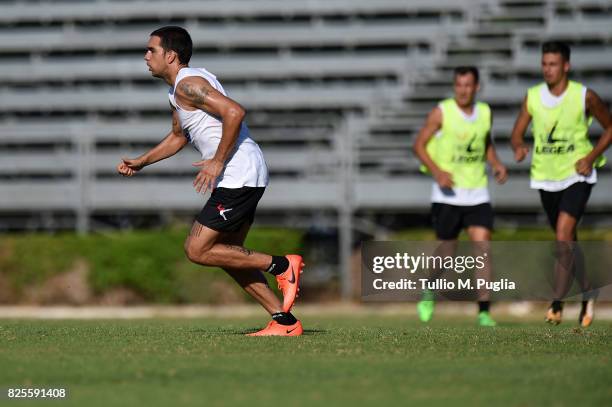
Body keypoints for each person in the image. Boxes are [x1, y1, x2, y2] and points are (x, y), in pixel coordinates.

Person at [117, 26, 304, 336]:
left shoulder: (188, 85)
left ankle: (282, 266)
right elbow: (178, 136)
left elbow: (235, 112)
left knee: (197, 249)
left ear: (171, 55)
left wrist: (217, 161)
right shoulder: (178, 90)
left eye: (152, 50)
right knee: (230, 254)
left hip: (238, 173)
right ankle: (284, 322)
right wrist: (142, 161)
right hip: (244, 173)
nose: (146, 55)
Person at [510, 41, 611, 327]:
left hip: (577, 175)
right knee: (567, 241)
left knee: (564, 232)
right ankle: (588, 290)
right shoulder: (533, 97)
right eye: (544, 64)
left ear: (566, 65)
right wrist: (518, 147)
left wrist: (591, 157)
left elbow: (610, 127)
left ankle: (556, 302)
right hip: (546, 176)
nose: (547, 69)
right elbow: (517, 133)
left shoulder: (584, 96)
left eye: (553, 64)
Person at [413, 66, 507, 327]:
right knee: (447, 253)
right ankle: (429, 291)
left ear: (477, 87)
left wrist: (496, 163)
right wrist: (437, 172)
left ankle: (484, 312)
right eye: (459, 85)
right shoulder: (442, 112)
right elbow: (418, 145)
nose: (463, 90)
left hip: (477, 191)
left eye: (468, 85)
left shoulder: (485, 113)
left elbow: (485, 143)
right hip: (447, 195)